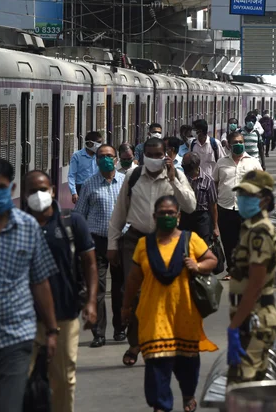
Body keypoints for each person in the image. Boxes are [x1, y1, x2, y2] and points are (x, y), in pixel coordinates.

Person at [0, 158, 59, 412]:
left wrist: (51, 330)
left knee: (6, 406)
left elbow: (40, 282)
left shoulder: (27, 228)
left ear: (12, 189)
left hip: (15, 336)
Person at [122, 195, 218, 412]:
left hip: (185, 314)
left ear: (178, 216)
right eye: (162, 213)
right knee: (156, 365)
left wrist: (197, 266)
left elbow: (212, 260)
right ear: (154, 216)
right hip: (153, 316)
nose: (166, 216)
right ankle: (161, 405)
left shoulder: (190, 240)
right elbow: (133, 280)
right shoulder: (143, 245)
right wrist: (126, 307)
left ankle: (187, 394)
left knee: (187, 363)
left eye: (170, 213)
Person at [108, 137, 197, 366]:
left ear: (166, 155)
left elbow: (190, 205)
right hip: (135, 240)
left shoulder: (176, 175)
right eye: (150, 155)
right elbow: (120, 211)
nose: (154, 159)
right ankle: (135, 343)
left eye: (159, 155)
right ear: (143, 155)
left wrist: (173, 178)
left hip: (166, 242)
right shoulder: (133, 176)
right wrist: (112, 244)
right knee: (136, 294)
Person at [25, 170, 98, 412]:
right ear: (24, 195)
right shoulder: (17, 224)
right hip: (23, 318)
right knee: (19, 380)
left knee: (64, 380)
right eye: (33, 191)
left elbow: (89, 262)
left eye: (43, 189)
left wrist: (91, 302)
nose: (38, 195)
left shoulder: (71, 221)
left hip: (64, 314)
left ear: (53, 191)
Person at [226, 170, 276, 385]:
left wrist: (234, 327)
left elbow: (255, 287)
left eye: (249, 196)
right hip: (249, 316)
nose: (242, 200)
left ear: (265, 200)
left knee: (241, 388)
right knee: (252, 390)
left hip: (255, 318)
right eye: (241, 195)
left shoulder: (261, 233)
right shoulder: (250, 228)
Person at [76, 144, 126, 347]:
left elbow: (133, 209)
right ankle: (98, 333)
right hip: (97, 241)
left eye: (109, 156)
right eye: (102, 156)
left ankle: (120, 328)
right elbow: (80, 214)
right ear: (96, 160)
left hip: (121, 241)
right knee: (97, 289)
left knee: (120, 288)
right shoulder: (89, 184)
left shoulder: (125, 182)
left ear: (116, 159)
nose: (106, 159)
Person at [213, 131, 263, 281]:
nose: (239, 144)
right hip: (225, 208)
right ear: (229, 144)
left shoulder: (253, 162)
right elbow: (215, 183)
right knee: (229, 242)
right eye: (235, 142)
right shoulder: (221, 163)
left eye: (241, 142)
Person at [180, 152, 219, 244]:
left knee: (202, 245)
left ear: (194, 165)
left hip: (201, 218)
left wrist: (215, 226)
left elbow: (213, 205)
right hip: (185, 217)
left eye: (186, 165)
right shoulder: (182, 178)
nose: (183, 167)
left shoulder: (208, 180)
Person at [69, 131, 102, 204]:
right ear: (90, 143)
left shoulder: (100, 155)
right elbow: (72, 175)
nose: (100, 145)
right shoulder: (77, 156)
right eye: (98, 142)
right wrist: (74, 192)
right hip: (81, 188)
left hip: (97, 186)